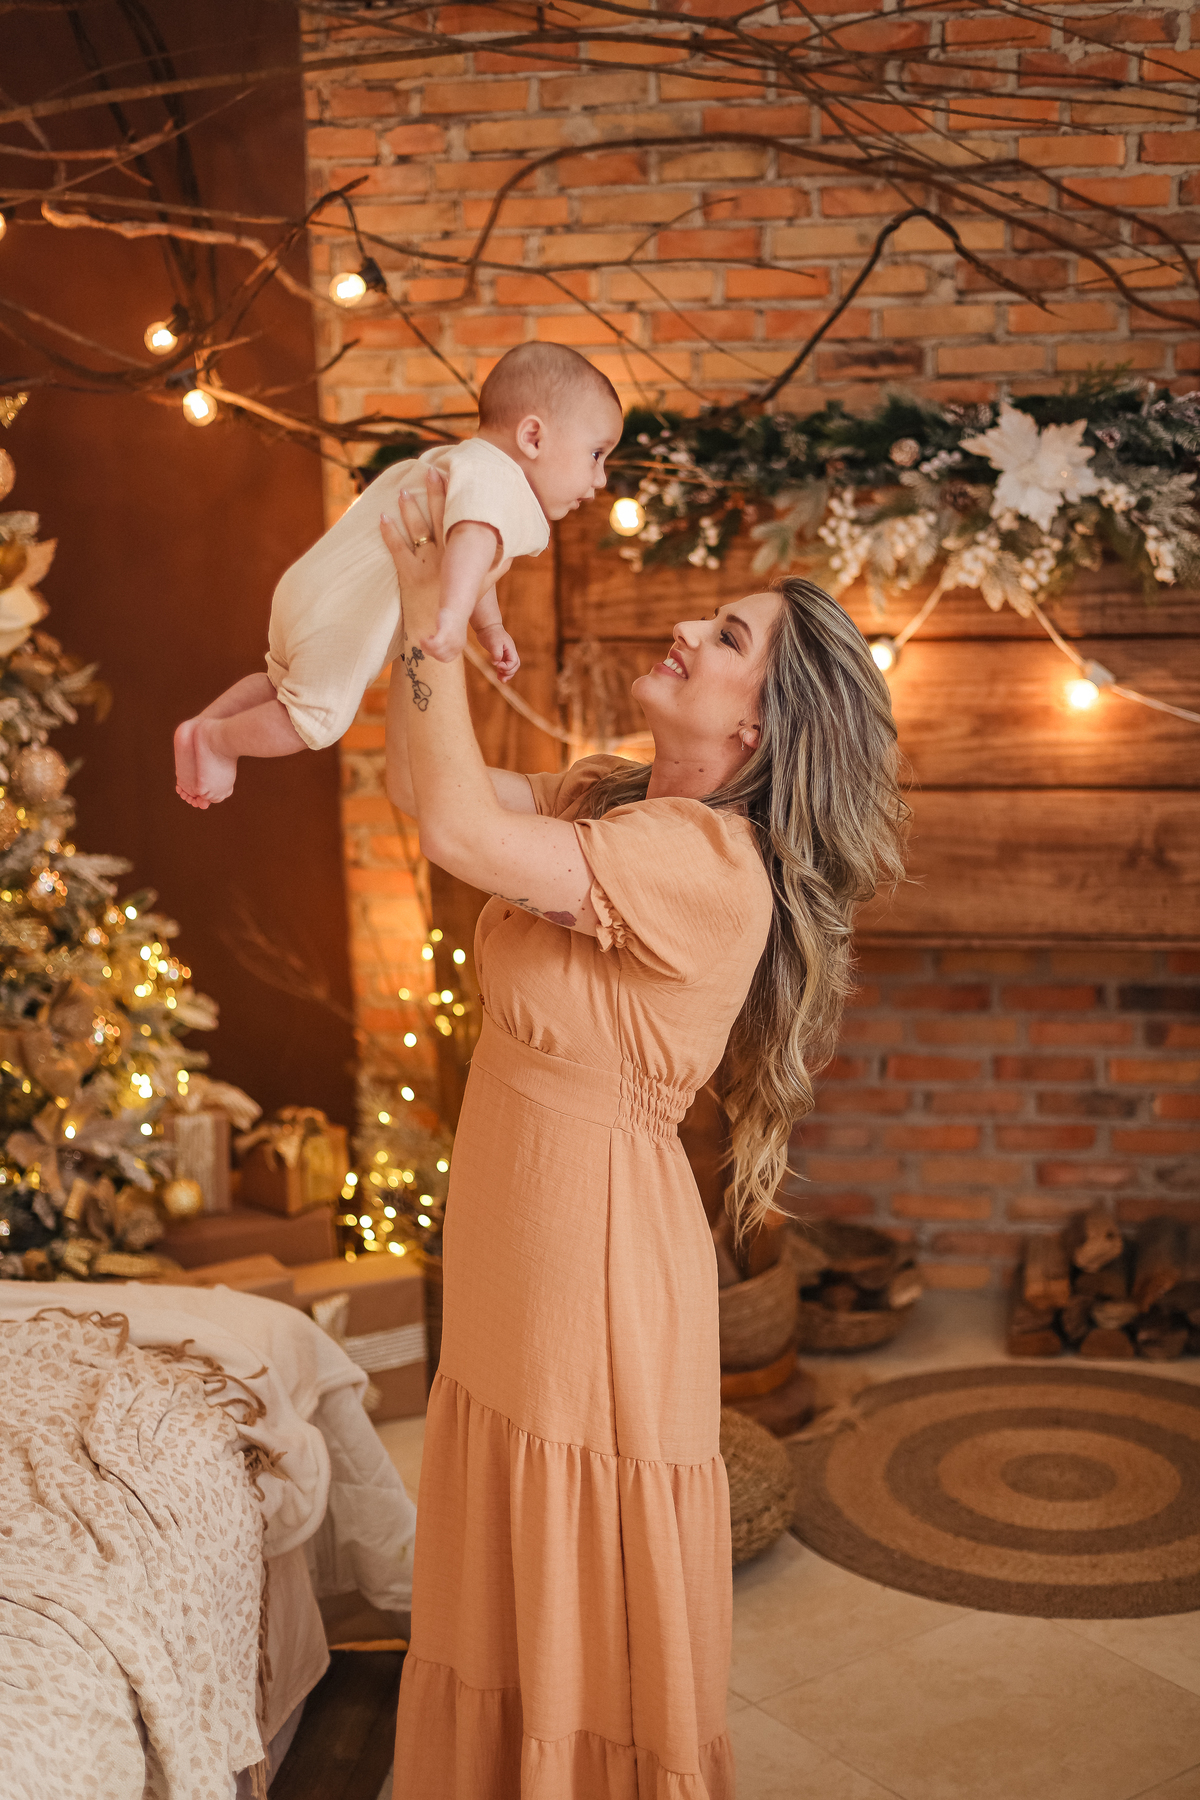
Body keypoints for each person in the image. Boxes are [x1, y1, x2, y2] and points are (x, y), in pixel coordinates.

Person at [382, 469, 906, 1798]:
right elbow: (423, 787)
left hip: (594, 1259)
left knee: (577, 1570)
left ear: (759, 725)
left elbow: (456, 825)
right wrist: (415, 615)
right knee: (506, 1547)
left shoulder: (712, 865)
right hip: (519, 1231)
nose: (684, 630)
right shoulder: (610, 795)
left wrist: (435, 616)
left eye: (726, 638)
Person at [172, 342, 624, 808]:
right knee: (315, 721)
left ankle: (200, 730)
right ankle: (217, 742)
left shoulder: (463, 464)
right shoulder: (500, 482)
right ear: (533, 437)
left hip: (310, 590)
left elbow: (470, 555)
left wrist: (490, 627)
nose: (601, 478)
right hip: (343, 617)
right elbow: (470, 543)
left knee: (277, 685)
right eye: (596, 454)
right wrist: (451, 619)